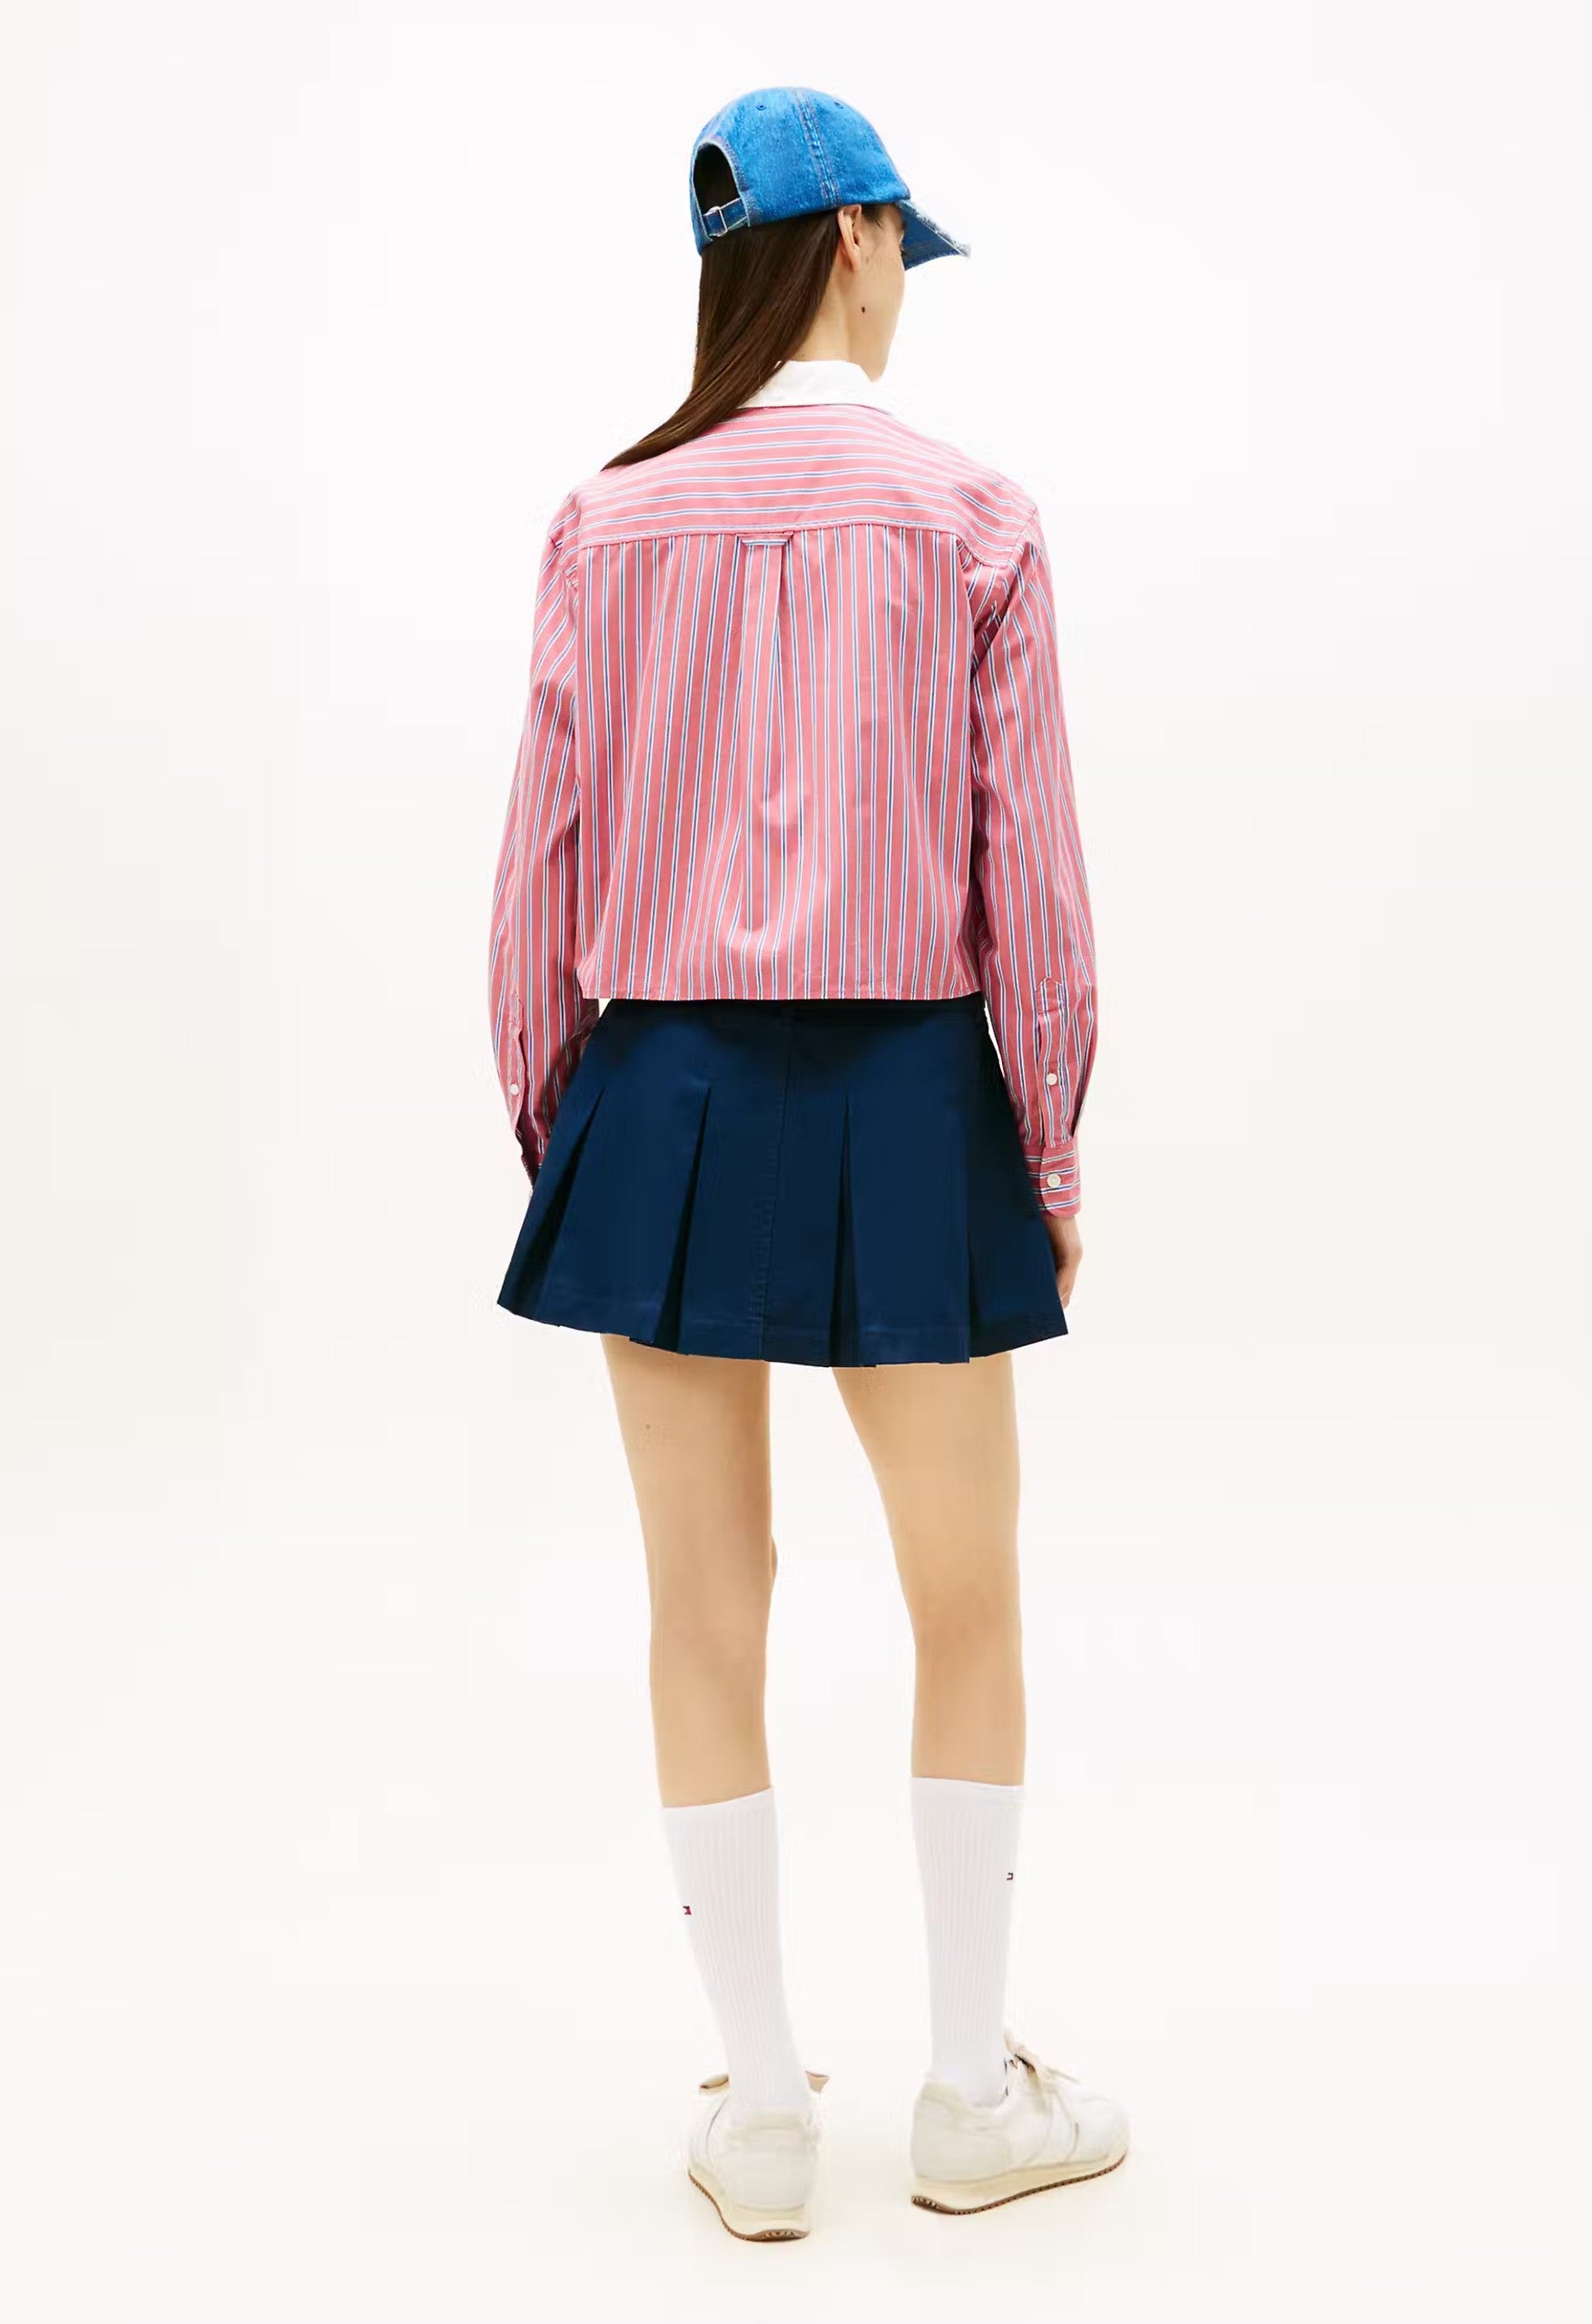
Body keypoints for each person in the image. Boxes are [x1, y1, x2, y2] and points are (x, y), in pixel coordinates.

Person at [485, 84, 1126, 2239]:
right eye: (901, 252)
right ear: (855, 240)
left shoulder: (602, 518)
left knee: (701, 1597)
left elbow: (539, 864)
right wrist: (1046, 1141)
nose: (905, 285)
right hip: (912, 1092)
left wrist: (567, 1132)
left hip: (654, 1095)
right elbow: (1033, 879)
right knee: (970, 1588)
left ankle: (763, 2111)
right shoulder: (974, 516)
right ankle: (966, 2088)